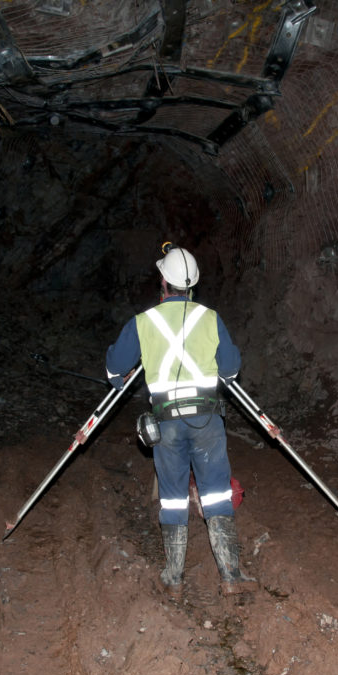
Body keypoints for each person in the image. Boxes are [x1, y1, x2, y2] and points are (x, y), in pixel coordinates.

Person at [106, 244, 257, 596]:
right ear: (193, 286)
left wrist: (128, 376)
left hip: (167, 424)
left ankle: (173, 579)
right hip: (207, 421)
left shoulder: (143, 322)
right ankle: (231, 577)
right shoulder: (210, 318)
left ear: (163, 281)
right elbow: (232, 370)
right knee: (217, 493)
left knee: (173, 498)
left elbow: (115, 371)